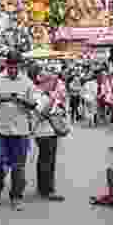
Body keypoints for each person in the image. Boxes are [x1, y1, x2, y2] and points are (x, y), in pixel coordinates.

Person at [0, 51, 38, 211]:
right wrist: (2, 97)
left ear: (20, 66)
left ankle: (16, 197)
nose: (13, 70)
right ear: (6, 64)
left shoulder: (27, 82)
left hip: (20, 130)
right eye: (11, 66)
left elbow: (34, 104)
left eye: (16, 67)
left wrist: (21, 99)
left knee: (18, 166)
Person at [34, 68, 66, 202]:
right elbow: (41, 114)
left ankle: (43, 187)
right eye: (52, 82)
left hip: (50, 131)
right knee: (47, 161)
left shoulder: (47, 93)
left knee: (46, 160)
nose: (54, 85)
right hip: (43, 132)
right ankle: (47, 190)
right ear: (45, 82)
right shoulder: (37, 94)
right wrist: (53, 99)